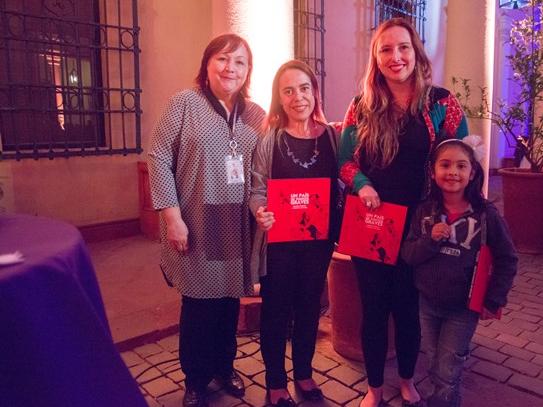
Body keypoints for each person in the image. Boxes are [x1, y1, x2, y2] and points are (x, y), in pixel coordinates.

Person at [338, 18, 469, 407]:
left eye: (403, 48)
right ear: (375, 59)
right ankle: (375, 386)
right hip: (372, 222)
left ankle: (408, 379)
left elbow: (460, 162)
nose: (395, 57)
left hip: (420, 226)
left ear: (416, 52)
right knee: (374, 307)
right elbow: (346, 162)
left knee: (410, 307)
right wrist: (363, 185)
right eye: (385, 50)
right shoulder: (360, 106)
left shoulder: (442, 102)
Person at [147, 33, 265, 407]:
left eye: (240, 62)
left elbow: (271, 161)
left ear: (248, 71)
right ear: (207, 64)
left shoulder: (256, 115)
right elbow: (158, 156)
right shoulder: (184, 103)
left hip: (234, 224)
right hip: (195, 221)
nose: (230, 68)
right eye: (223, 59)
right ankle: (196, 379)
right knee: (198, 304)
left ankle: (224, 367)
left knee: (229, 301)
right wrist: (171, 216)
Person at [401, 138, 517, 407]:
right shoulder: (425, 211)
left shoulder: (486, 215)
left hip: (463, 308)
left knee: (447, 368)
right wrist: (430, 240)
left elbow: (507, 258)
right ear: (432, 171)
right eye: (445, 165)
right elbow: (408, 255)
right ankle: (440, 398)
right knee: (433, 362)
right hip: (427, 304)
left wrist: (494, 299)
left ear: (472, 173)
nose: (452, 171)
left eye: (461, 166)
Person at [250, 60, 339, 407]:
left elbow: (345, 177)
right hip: (280, 243)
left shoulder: (331, 136)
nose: (298, 97)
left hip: (319, 242)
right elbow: (257, 188)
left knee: (308, 307)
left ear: (314, 92)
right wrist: (260, 211)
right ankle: (275, 382)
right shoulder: (269, 139)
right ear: (279, 98)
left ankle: (303, 372)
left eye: (304, 88)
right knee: (276, 309)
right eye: (288, 90)